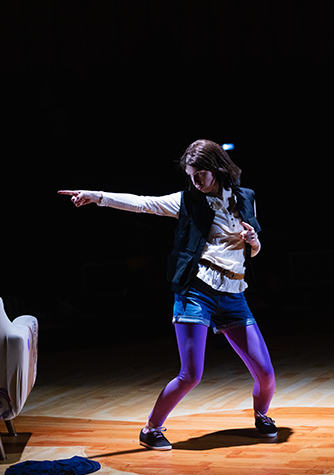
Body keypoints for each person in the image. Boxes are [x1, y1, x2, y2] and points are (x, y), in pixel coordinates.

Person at [59, 139, 276, 451]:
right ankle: (151, 429)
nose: (194, 181)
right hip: (196, 291)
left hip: (232, 293)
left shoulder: (246, 199)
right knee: (190, 375)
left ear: (215, 169)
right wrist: (97, 197)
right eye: (190, 175)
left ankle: (262, 416)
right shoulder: (187, 201)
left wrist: (253, 240)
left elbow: (254, 250)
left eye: (199, 174)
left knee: (265, 374)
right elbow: (143, 203)